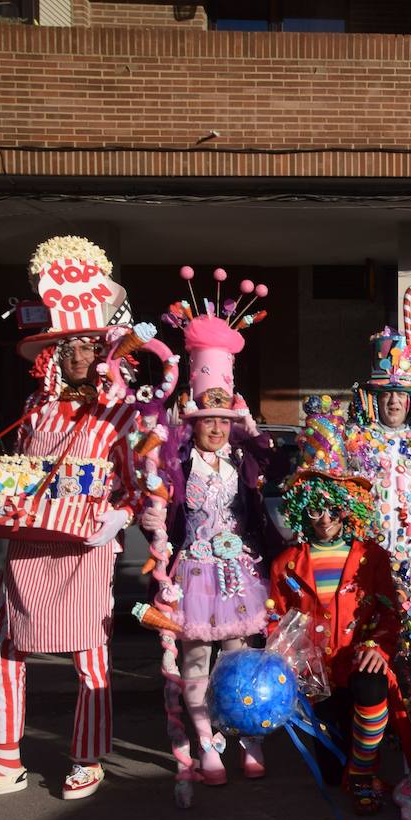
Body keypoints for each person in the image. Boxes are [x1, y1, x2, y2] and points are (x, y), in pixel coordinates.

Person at [0, 236, 144, 803]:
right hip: (30, 548)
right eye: (70, 345)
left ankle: (87, 757)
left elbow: (144, 489)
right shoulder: (34, 410)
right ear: (53, 353)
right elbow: (21, 471)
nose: (79, 355)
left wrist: (116, 519)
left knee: (90, 660)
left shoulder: (122, 413)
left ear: (104, 352)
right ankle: (6, 762)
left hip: (85, 550)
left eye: (89, 345)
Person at [143, 306, 279, 784]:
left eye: (224, 420)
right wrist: (154, 519)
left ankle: (247, 738)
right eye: (208, 420)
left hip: (239, 571)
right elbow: (161, 509)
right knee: (197, 659)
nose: (217, 428)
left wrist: (251, 426)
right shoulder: (178, 466)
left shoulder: (243, 460)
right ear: (194, 423)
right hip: (194, 573)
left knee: (240, 659)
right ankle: (207, 745)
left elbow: (276, 463)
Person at [266, 397, 411, 814]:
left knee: (370, 690)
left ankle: (365, 774)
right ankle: (352, 761)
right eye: (315, 509)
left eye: (333, 507)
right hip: (319, 673)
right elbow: (275, 617)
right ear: (302, 509)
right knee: (332, 772)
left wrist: (378, 648)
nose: (325, 518)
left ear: (346, 507)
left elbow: (389, 610)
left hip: (359, 662)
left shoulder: (371, 556)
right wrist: (287, 656)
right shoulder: (286, 563)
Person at [345, 315, 411, 685]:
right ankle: (373, 688)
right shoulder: (357, 439)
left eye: (401, 395)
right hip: (372, 545)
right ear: (376, 399)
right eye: (388, 396)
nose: (395, 403)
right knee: (372, 612)